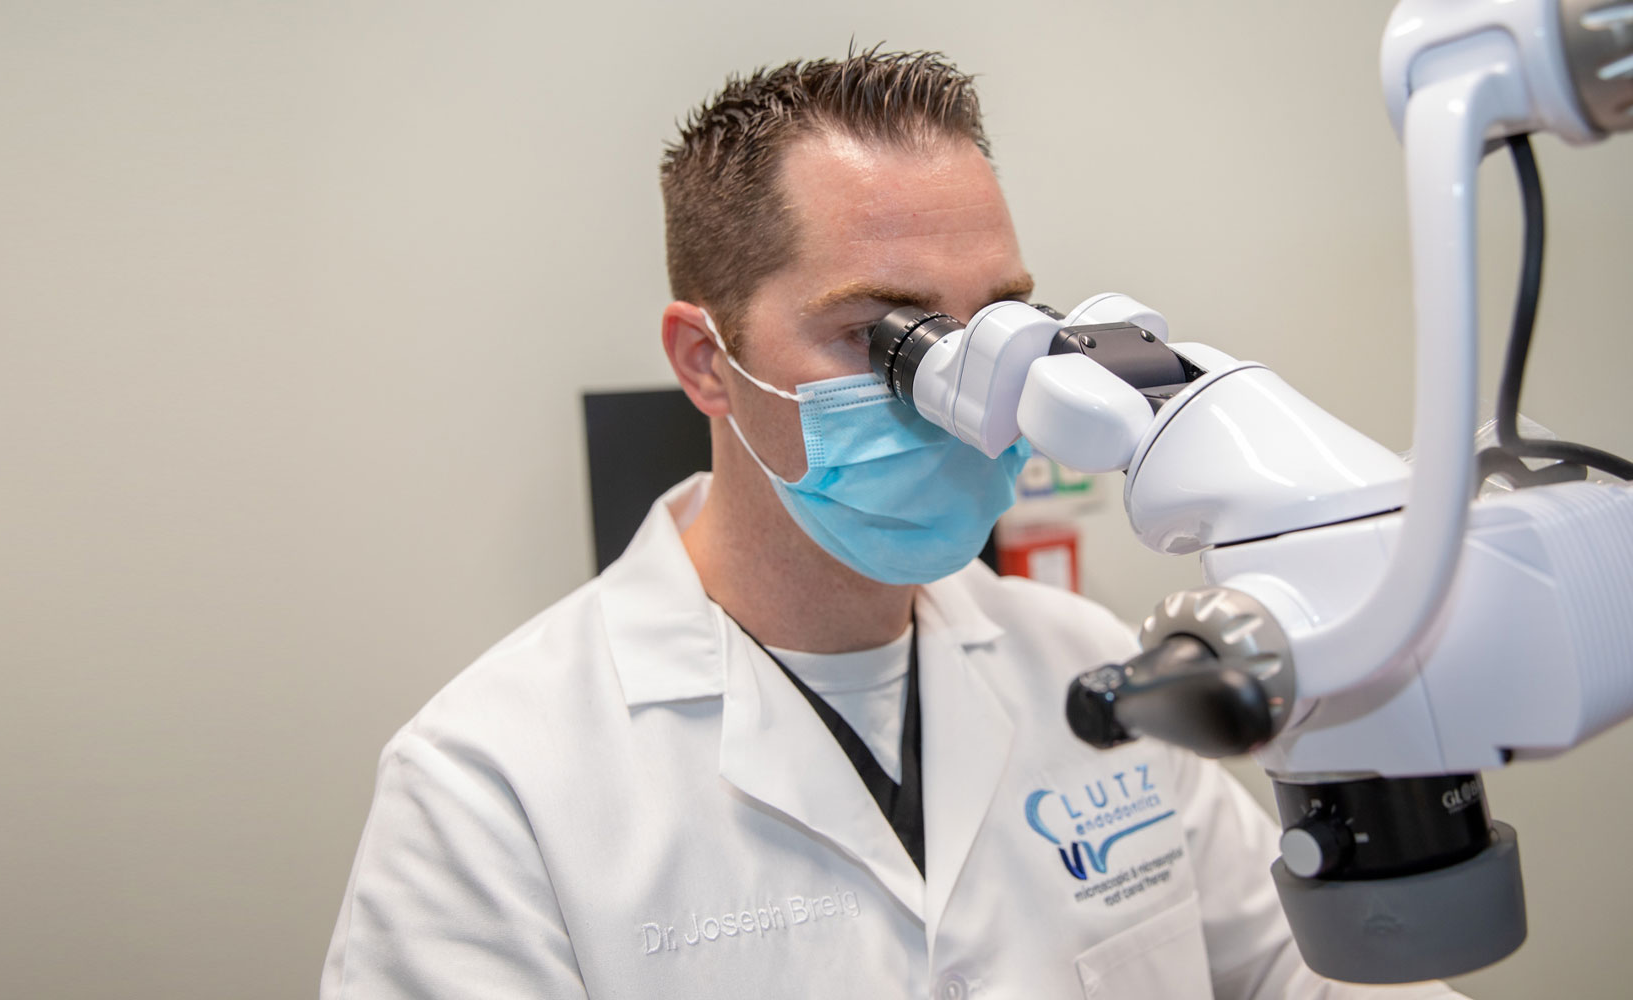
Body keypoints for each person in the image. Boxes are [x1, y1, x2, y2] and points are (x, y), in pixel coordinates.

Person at [322, 49, 1466, 999]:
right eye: (887, 338)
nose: (969, 396)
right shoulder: (490, 783)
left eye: (1000, 324)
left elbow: (1292, 978)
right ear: (703, 363)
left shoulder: (1092, 661)